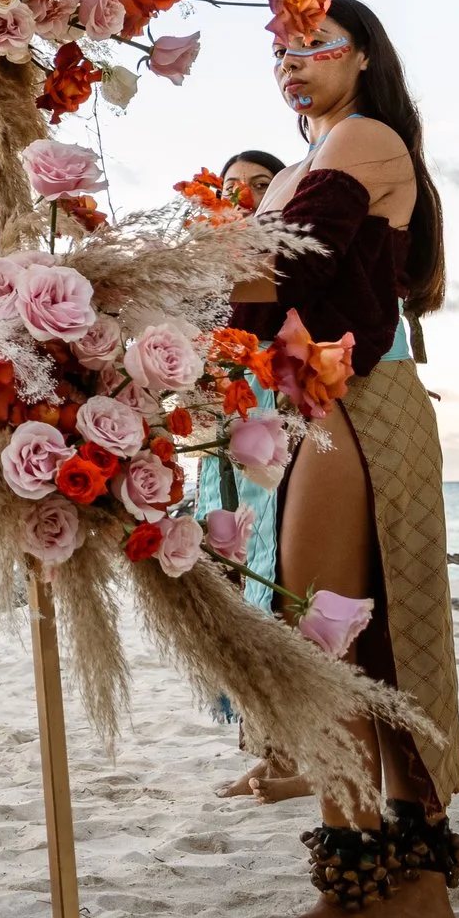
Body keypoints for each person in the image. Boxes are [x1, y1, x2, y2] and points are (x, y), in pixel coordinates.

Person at [232, 0, 459, 918]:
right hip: (344, 403)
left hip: (356, 405)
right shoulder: (314, 155)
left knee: (321, 639)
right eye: (280, 50)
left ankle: (354, 900)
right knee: (374, 648)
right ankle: (413, 882)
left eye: (313, 46)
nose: (293, 62)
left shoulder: (362, 140)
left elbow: (291, 263)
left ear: (361, 56)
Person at [203, 146, 302, 802]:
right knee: (231, 588)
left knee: (280, 590)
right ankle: (263, 753)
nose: (244, 198)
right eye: (232, 187)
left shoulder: (295, 265)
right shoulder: (205, 271)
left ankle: (296, 758)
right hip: (218, 438)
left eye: (260, 186)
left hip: (278, 431)